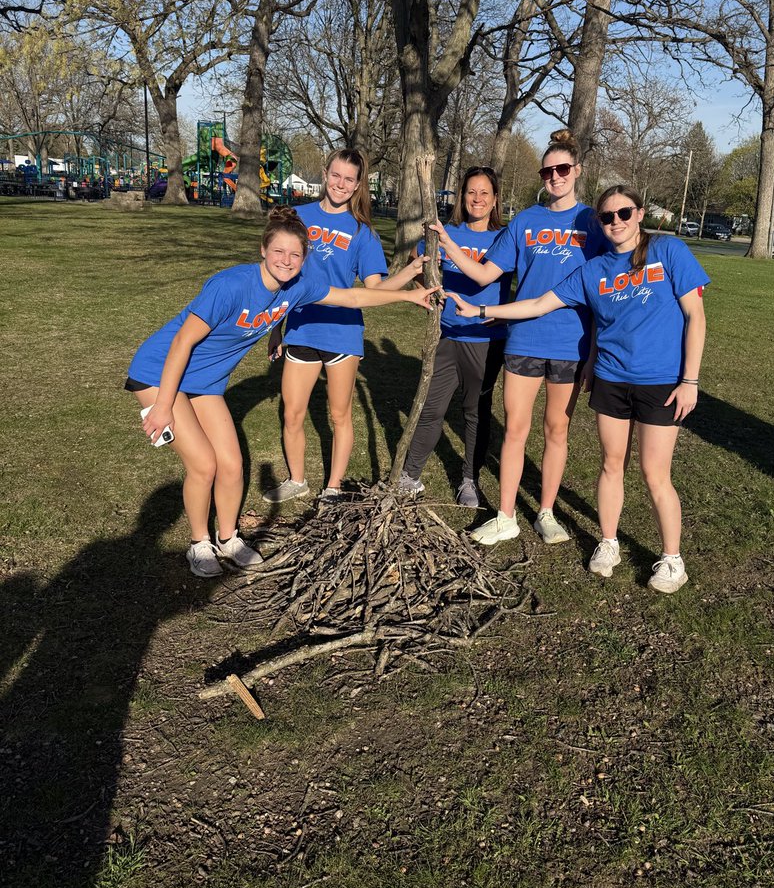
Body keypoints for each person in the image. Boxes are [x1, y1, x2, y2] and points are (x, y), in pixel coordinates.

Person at [126, 206, 436, 577]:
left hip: (204, 383)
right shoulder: (231, 285)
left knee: (232, 464)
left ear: (305, 258)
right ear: (263, 249)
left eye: (295, 254)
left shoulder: (299, 286)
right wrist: (162, 406)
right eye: (278, 251)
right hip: (159, 374)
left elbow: (352, 298)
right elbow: (181, 342)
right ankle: (199, 544)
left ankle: (228, 539)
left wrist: (407, 297)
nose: (286, 261)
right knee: (204, 464)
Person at [448, 185, 708, 593]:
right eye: (607, 217)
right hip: (611, 378)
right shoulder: (593, 270)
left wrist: (689, 380)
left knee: (654, 473)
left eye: (624, 213)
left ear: (639, 214)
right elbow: (538, 304)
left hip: (660, 381)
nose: (616, 222)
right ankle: (609, 542)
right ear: (599, 223)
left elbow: (696, 316)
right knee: (611, 465)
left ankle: (672, 560)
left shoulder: (668, 251)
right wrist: (482, 309)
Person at [431, 129, 608, 545]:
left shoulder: (593, 223)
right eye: (547, 171)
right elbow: (484, 274)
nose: (555, 177)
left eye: (562, 169)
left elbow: (605, 290)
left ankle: (545, 513)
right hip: (524, 339)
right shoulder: (526, 221)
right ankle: (506, 516)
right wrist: (448, 244)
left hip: (571, 343)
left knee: (556, 431)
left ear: (577, 171)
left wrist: (594, 353)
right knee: (515, 429)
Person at [264, 149, 425, 504]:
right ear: (325, 174)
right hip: (302, 329)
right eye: (336, 175)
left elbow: (375, 289)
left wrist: (410, 273)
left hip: (342, 333)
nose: (340, 184)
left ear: (357, 185)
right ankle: (297, 480)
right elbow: (281, 278)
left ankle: (333, 487)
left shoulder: (362, 232)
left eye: (349, 179)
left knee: (339, 414)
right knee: (292, 412)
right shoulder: (299, 218)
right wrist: (275, 328)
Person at [398, 166, 511, 507]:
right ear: (462, 197)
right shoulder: (444, 233)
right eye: (471, 192)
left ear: (495, 200)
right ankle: (410, 476)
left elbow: (518, 283)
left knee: (475, 413)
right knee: (432, 408)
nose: (477, 199)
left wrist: (503, 312)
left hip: (486, 340)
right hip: (447, 336)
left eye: (485, 193)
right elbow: (416, 261)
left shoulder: (504, 238)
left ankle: (469, 481)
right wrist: (430, 294)